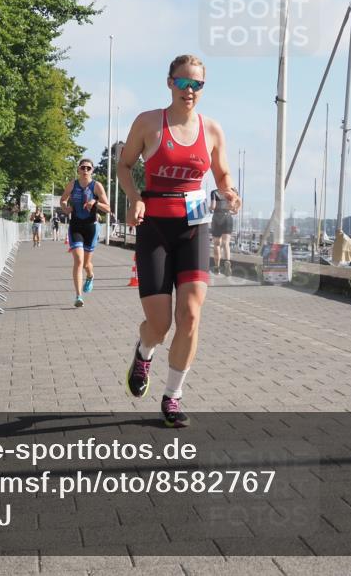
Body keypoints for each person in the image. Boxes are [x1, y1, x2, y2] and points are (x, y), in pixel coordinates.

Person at [117, 54, 240, 428]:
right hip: (154, 228)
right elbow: (124, 165)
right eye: (183, 83)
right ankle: (144, 351)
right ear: (170, 83)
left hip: (194, 228)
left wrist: (230, 193)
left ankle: (173, 396)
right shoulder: (148, 123)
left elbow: (223, 175)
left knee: (190, 315)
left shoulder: (212, 130)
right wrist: (135, 198)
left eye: (197, 84)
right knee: (159, 325)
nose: (189, 91)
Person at [60, 158, 110, 308]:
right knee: (78, 261)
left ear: (92, 170)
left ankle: (90, 275)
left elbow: (108, 208)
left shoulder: (96, 186)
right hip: (75, 226)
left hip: (91, 228)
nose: (85, 170)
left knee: (87, 264)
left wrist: (95, 202)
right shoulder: (73, 184)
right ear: (78, 169)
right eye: (83, 167)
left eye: (88, 168)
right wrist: (65, 208)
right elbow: (63, 199)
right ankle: (78, 296)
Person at [209, 188, 236, 276]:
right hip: (227, 218)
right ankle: (227, 261)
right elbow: (235, 209)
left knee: (217, 244)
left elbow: (213, 206)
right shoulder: (232, 192)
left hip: (216, 218)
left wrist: (208, 208)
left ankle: (217, 268)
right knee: (226, 243)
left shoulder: (214, 192)